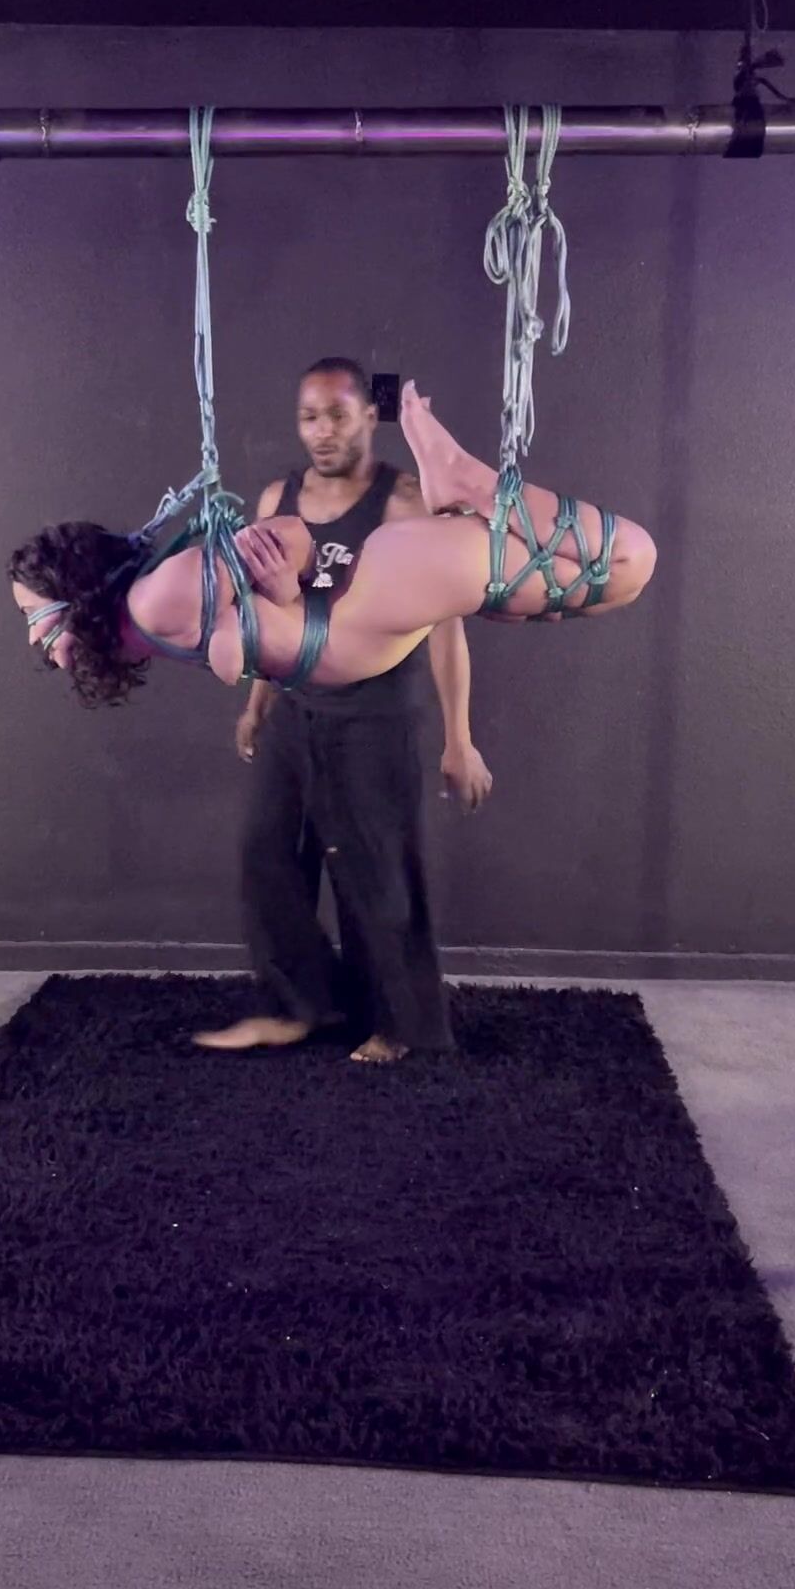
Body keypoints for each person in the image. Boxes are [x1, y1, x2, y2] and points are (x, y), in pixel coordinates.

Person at [10, 377, 657, 1011]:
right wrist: (278, 610)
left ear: (79, 594)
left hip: (370, 613)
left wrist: (284, 597)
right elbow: (283, 582)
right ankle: (461, 493)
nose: (35, 637)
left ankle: (466, 481)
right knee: (596, 586)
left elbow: (293, 543)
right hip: (366, 623)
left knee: (627, 561)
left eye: (35, 615)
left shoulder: (161, 600)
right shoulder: (144, 620)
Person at [194, 358, 493, 1065]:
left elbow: (446, 627)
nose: (322, 430)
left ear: (369, 417)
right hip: (297, 708)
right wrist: (257, 704)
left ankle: (401, 1023)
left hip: (375, 716)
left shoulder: (403, 504)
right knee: (265, 852)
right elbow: (267, 616)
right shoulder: (278, 499)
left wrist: (460, 739)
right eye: (309, 416)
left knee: (375, 869)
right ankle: (297, 1006)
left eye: (336, 414)